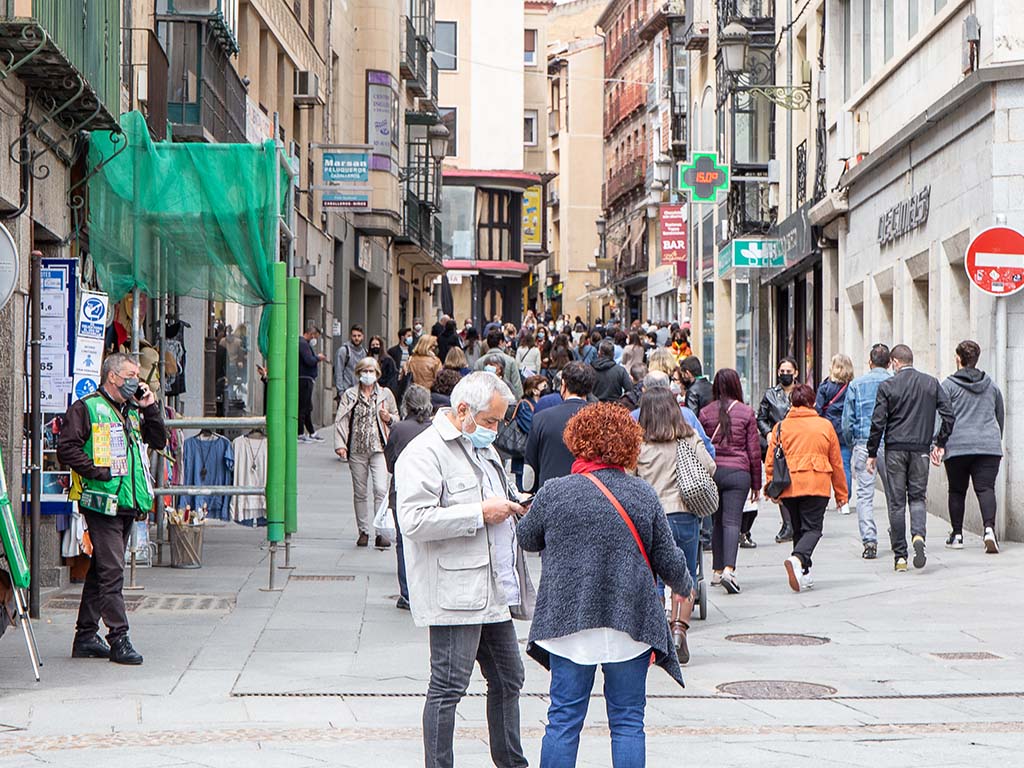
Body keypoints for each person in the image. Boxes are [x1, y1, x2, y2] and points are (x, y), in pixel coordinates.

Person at [517, 402, 691, 767]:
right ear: (629, 445)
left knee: (563, 720)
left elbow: (527, 539)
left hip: (569, 623)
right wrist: (684, 585)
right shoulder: (641, 494)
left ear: (577, 441)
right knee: (628, 722)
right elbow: (668, 557)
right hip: (629, 621)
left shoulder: (555, 491)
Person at [395, 372, 534, 768]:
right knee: (449, 685)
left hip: (491, 588)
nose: (496, 430)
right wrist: (479, 513)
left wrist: (515, 503)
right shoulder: (425, 452)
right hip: (455, 591)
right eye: (491, 421)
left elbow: (497, 496)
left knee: (510, 676)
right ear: (462, 410)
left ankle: (511, 761)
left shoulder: (483, 450)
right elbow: (415, 521)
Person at [58, 352, 166, 665]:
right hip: (102, 501)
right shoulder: (88, 407)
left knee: (102, 568)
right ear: (113, 377)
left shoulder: (131, 410)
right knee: (112, 571)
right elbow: (66, 447)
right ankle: (118, 637)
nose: (137, 381)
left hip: (128, 502)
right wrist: (95, 471)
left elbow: (158, 441)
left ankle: (85, 635)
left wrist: (151, 408)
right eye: (131, 375)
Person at [636, 388, 715, 664]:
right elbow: (710, 468)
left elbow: (628, 480)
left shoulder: (638, 444)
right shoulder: (688, 436)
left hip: (650, 518)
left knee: (652, 579)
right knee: (685, 575)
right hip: (684, 515)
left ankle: (658, 640)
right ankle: (679, 630)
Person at [866, 344, 955, 572]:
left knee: (896, 503)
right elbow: (949, 415)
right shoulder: (930, 383)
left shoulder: (888, 385)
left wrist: (872, 453)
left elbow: (878, 422)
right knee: (917, 498)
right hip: (921, 449)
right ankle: (918, 536)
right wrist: (940, 443)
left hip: (895, 449)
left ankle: (900, 557)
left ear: (895, 362)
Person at [764, 384, 849, 593]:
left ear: (792, 402)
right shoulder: (825, 426)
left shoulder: (781, 427)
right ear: (812, 402)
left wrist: (770, 487)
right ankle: (798, 559)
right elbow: (836, 462)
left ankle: (804, 572)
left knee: (798, 529)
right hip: (817, 482)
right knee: (813, 529)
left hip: (789, 485)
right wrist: (842, 494)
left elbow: (770, 460)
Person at [698, 369, 761, 595]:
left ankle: (716, 570)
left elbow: (701, 445)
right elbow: (753, 451)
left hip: (714, 471)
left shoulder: (705, 413)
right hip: (738, 472)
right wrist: (756, 484)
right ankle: (729, 569)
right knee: (732, 521)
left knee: (716, 522)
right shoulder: (746, 413)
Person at [941, 340, 1004, 553]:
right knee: (986, 489)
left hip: (958, 446)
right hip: (988, 446)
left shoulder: (948, 386)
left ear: (958, 359)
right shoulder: (991, 385)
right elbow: (999, 414)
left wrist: (937, 443)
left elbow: (942, 417)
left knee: (957, 490)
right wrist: (995, 439)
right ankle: (988, 530)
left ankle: (957, 535)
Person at [334, 356, 400, 549]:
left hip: (379, 448)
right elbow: (341, 419)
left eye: (371, 371)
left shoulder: (386, 394)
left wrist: (389, 418)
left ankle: (381, 532)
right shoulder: (350, 394)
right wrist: (340, 444)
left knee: (381, 489)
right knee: (360, 492)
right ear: (359, 373)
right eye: (365, 371)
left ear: (377, 374)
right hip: (357, 449)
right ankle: (363, 531)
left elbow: (397, 417)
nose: (368, 375)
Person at [384, 385, 434, 610]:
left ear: (407, 404)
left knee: (404, 543)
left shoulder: (398, 429)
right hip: (431, 491)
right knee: (430, 542)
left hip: (402, 492)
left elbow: (390, 463)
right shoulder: (435, 429)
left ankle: (407, 594)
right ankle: (429, 590)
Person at [841, 343, 893, 560]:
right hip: (890, 445)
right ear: (889, 363)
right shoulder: (894, 383)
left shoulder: (856, 385)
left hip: (863, 443)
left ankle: (869, 540)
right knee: (894, 494)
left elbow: (846, 422)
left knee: (864, 495)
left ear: (870, 362)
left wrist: (852, 443)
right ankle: (897, 533)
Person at [524, 361, 595, 491]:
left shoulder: (541, 419)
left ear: (563, 385)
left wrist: (528, 493)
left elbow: (530, 467)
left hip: (550, 493)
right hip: (589, 493)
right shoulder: (599, 419)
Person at [758, 356, 800, 543]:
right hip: (779, 445)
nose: (785, 375)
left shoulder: (801, 393)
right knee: (781, 480)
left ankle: (796, 521)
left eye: (788, 372)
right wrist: (768, 433)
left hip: (798, 443)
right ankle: (788, 524)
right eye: (782, 372)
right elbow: (761, 418)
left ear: (795, 373)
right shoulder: (770, 394)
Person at [815, 353, 854, 504]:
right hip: (845, 431)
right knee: (844, 465)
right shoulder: (852, 387)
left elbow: (818, 408)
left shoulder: (825, 387)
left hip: (827, 430)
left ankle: (821, 496)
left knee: (823, 464)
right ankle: (845, 498)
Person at [510, 375, 547, 491]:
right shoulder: (525, 405)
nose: (547, 389)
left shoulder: (539, 404)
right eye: (544, 386)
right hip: (523, 455)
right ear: (534, 390)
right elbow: (531, 427)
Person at [298, 321, 327, 443]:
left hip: (306, 378)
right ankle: (300, 433)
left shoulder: (303, 344)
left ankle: (311, 432)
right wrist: (318, 358)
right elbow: (308, 360)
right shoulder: (303, 344)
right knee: (303, 407)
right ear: (311, 334)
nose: (315, 339)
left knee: (307, 407)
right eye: (315, 336)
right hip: (304, 378)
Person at [475, 330, 524, 399]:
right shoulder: (511, 361)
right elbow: (517, 386)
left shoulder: (479, 362)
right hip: (506, 402)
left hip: (484, 402)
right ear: (501, 342)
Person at [335, 324, 367, 397]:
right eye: (354, 336)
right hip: (346, 392)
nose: (356, 338)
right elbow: (338, 372)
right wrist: (341, 392)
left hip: (361, 393)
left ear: (363, 336)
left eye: (359, 336)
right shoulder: (343, 351)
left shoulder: (365, 352)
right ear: (350, 336)